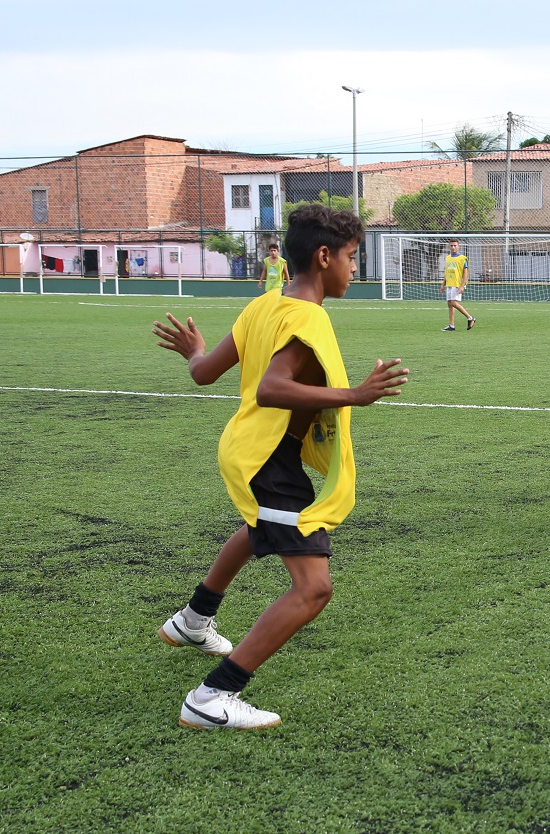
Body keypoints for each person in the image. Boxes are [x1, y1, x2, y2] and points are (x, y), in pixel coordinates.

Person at [152, 204, 409, 730]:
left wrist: (195, 350)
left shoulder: (264, 304)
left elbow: (204, 373)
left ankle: (193, 621)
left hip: (253, 449)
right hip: (265, 456)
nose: (355, 268)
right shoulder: (306, 316)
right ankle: (211, 698)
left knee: (257, 530)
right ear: (323, 256)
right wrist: (354, 395)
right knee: (314, 589)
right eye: (352, 257)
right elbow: (272, 387)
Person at [443, 238, 475, 331]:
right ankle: (451, 325)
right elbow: (447, 272)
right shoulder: (448, 257)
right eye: (451, 246)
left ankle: (470, 318)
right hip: (449, 283)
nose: (453, 247)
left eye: (455, 245)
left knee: (453, 302)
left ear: (458, 246)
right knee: (450, 304)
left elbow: (465, 273)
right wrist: (443, 284)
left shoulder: (462, 258)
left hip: (457, 284)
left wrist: (462, 285)